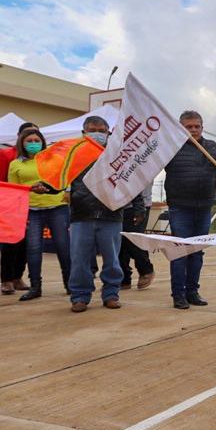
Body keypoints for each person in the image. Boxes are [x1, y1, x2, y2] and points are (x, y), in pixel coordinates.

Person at [67, 116, 143, 312]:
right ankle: (80, 296)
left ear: (109, 133)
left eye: (102, 130)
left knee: (112, 260)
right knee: (80, 260)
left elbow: (133, 179)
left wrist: (138, 206)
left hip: (111, 213)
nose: (97, 134)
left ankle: (111, 294)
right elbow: (58, 179)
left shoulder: (119, 154)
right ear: (84, 133)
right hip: (81, 214)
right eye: (93, 129)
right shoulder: (73, 153)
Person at [164, 110, 216, 309]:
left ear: (202, 127)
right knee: (180, 252)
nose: (193, 130)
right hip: (179, 209)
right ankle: (178, 294)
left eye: (197, 126)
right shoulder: (170, 148)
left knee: (197, 252)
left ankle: (192, 292)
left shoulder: (212, 147)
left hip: (203, 208)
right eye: (188, 127)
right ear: (180, 128)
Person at [8, 128, 71, 302]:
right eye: (29, 141)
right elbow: (13, 190)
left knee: (63, 247)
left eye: (37, 140)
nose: (34, 144)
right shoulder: (15, 164)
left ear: (43, 142)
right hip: (31, 210)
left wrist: (51, 188)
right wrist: (31, 188)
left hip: (57, 206)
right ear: (22, 143)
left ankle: (70, 283)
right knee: (33, 249)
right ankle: (35, 286)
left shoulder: (54, 159)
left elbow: (64, 179)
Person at [0, 121, 38, 295]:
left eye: (36, 135)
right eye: (27, 135)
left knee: (28, 244)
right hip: (11, 205)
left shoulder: (41, 156)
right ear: (19, 137)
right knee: (11, 243)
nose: (32, 140)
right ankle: (6, 279)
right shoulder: (6, 154)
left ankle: (18, 276)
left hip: (34, 205)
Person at [119, 185, 154, 291]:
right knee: (120, 243)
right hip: (118, 205)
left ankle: (145, 270)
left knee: (134, 240)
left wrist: (139, 208)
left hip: (140, 204)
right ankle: (124, 278)